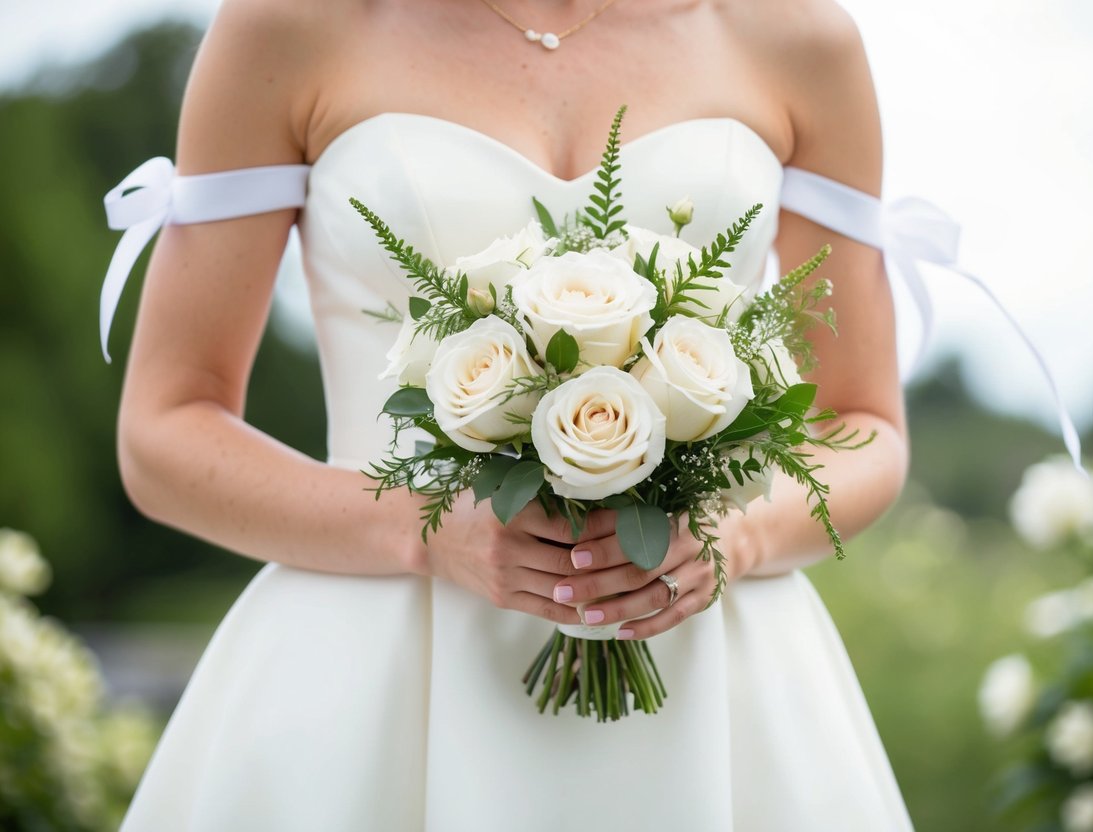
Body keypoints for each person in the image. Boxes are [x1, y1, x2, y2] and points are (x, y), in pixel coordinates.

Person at [108, 0, 917, 828]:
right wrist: (421, 527)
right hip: (368, 662)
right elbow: (164, 430)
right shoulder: (288, 27)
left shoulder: (795, 38)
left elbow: (864, 427)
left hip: (713, 675)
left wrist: (730, 536)